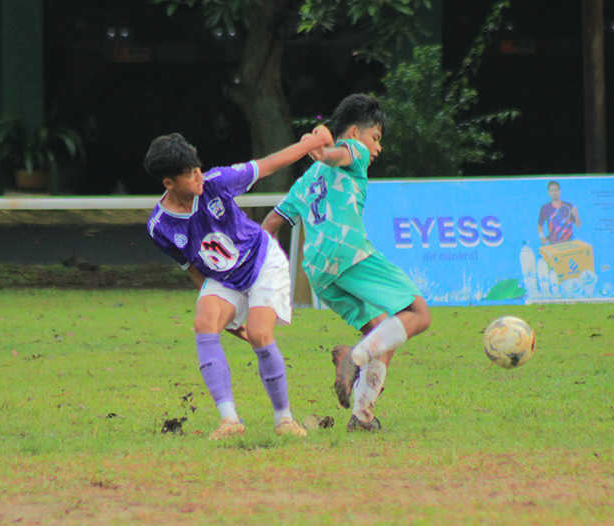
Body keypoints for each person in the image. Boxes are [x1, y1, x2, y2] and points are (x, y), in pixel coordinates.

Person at [143, 127, 332, 440]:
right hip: (223, 280)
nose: (199, 177)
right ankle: (230, 421)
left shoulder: (216, 182)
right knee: (204, 322)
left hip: (261, 263)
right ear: (169, 183)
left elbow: (268, 164)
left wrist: (312, 143)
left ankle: (284, 419)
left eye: (198, 168)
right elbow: (193, 269)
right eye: (190, 174)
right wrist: (223, 318)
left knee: (259, 334)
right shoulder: (159, 227)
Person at [263, 94, 432, 432]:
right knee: (418, 314)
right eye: (376, 138)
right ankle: (352, 358)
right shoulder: (352, 151)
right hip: (348, 252)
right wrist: (325, 151)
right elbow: (340, 154)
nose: (377, 148)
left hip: (316, 270)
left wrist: (257, 269)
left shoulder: (306, 179)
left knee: (381, 332)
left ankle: (362, 416)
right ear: (355, 132)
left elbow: (270, 224)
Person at [536, 180, 582, 245]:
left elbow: (578, 225)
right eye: (552, 191)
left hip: (569, 244)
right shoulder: (544, 208)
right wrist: (542, 237)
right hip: (554, 244)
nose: (554, 193)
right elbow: (539, 226)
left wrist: (576, 215)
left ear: (559, 191)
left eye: (556, 190)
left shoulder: (568, 206)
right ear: (549, 192)